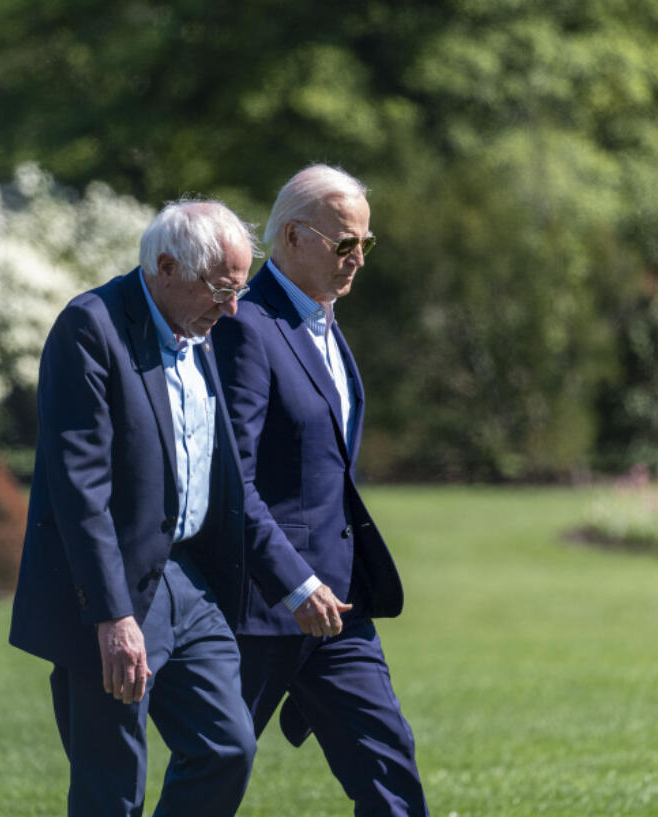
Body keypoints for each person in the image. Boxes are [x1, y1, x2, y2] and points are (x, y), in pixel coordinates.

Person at [9, 199, 260, 817]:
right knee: (111, 787)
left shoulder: (197, 327)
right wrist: (112, 616)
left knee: (227, 747)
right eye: (221, 290)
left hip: (189, 581)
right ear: (167, 267)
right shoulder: (89, 327)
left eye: (240, 290)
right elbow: (79, 487)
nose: (232, 309)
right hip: (112, 591)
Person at [212, 165, 430, 816]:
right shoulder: (247, 326)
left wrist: (323, 584)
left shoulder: (325, 321)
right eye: (344, 244)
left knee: (390, 769)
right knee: (213, 777)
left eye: (366, 242)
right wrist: (293, 581)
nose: (358, 258)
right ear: (292, 237)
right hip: (263, 607)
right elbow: (233, 479)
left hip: (339, 608)